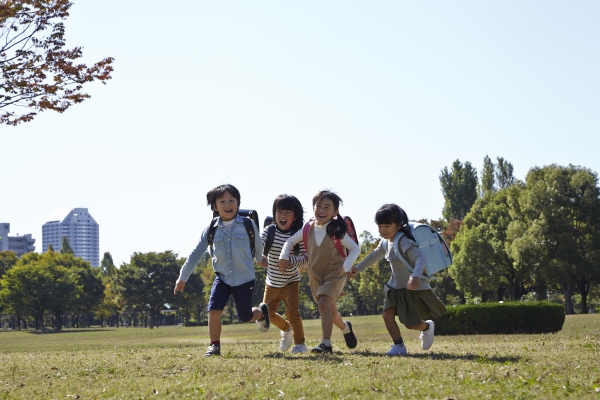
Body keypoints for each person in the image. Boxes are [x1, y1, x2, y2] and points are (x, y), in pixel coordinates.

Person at [174, 184, 269, 357]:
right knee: (214, 310)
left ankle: (261, 313)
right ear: (215, 206)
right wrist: (183, 277)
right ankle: (214, 346)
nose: (228, 205)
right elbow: (196, 252)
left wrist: (259, 259)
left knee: (245, 317)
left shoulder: (248, 224)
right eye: (222, 201)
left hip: (244, 278)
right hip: (222, 278)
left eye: (231, 200)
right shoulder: (211, 229)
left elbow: (257, 245)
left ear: (238, 203)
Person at [349, 203, 447, 356]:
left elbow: (420, 258)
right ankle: (399, 346)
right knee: (386, 315)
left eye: (387, 226)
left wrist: (415, 275)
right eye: (380, 226)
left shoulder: (404, 241)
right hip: (395, 287)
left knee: (410, 324)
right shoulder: (385, 242)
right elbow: (374, 256)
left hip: (412, 288)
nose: (383, 230)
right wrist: (358, 268)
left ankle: (426, 327)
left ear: (399, 225)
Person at [279, 190, 361, 353]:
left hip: (335, 273)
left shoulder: (336, 230)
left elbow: (355, 248)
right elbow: (290, 241)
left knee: (323, 303)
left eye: (327, 207)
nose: (322, 210)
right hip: (315, 275)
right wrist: (283, 256)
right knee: (330, 309)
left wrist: (347, 266)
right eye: (319, 206)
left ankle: (326, 344)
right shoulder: (308, 228)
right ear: (313, 207)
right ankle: (345, 328)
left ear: (335, 212)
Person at [259, 194, 309, 353]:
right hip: (271, 283)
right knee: (267, 314)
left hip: (291, 283)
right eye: (280, 211)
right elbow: (258, 247)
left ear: (294, 217)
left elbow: (305, 260)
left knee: (293, 314)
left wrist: (288, 261)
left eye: (288, 212)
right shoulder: (269, 231)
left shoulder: (298, 235)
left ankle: (300, 344)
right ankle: (286, 329)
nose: (283, 216)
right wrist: (258, 258)